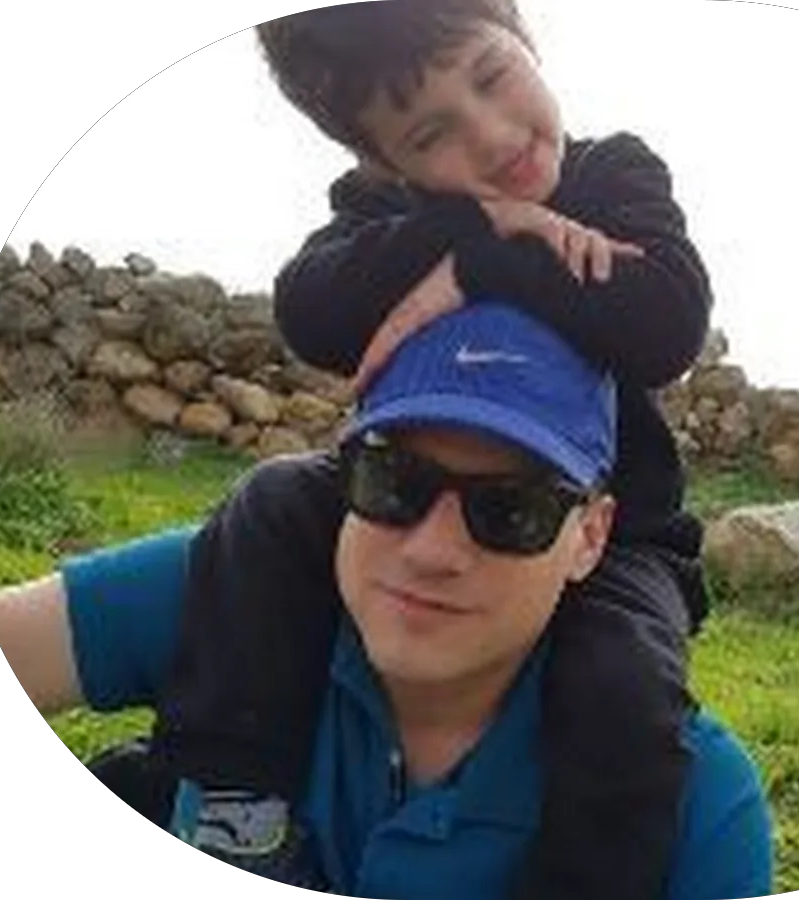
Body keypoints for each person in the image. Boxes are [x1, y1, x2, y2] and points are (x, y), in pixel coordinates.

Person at [141, 4, 719, 898]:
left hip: (616, 531)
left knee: (623, 684)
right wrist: (483, 227)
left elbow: (664, 321)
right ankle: (235, 812)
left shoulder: (615, 175)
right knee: (270, 504)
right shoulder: (384, 210)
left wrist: (481, 269)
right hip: (401, 487)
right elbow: (309, 310)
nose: (489, 135)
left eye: (491, 77)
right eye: (429, 134)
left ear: (523, 35)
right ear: (384, 163)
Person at [0, 302, 775, 898]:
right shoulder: (232, 590)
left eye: (512, 510)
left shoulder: (697, 811)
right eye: (392, 479)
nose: (431, 550)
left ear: (591, 538)